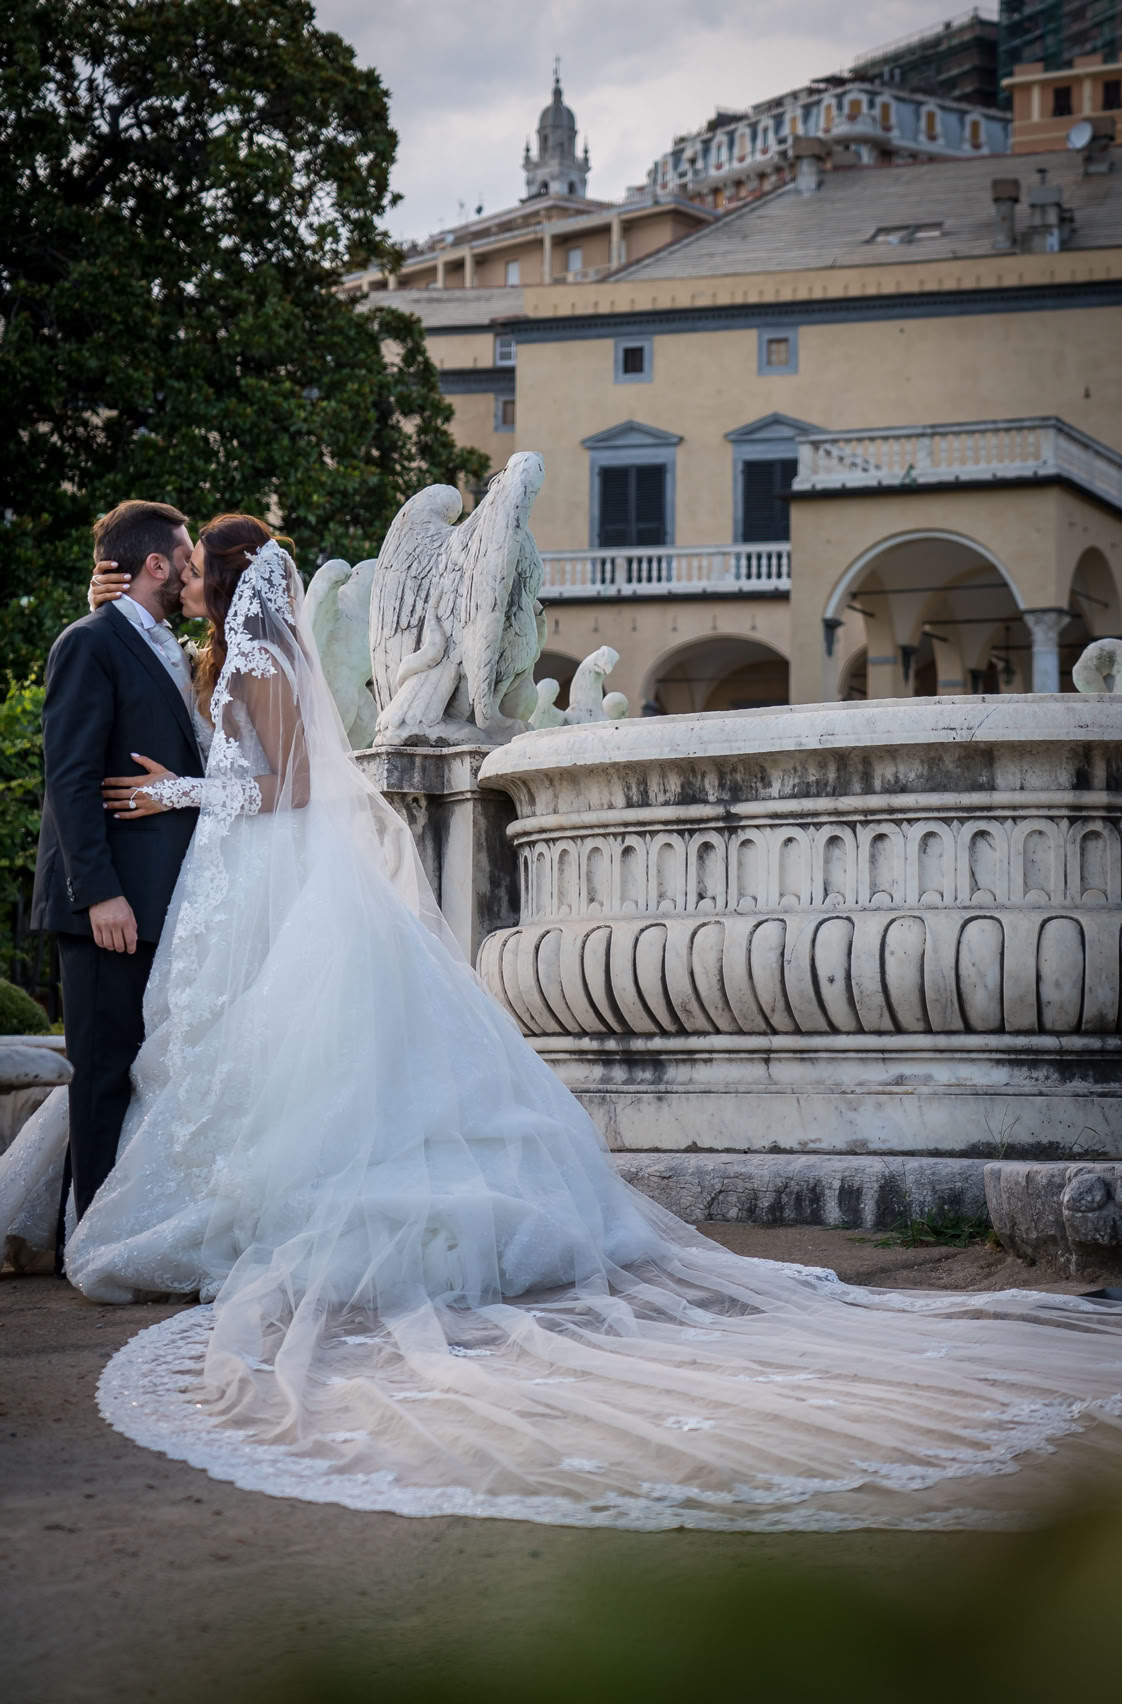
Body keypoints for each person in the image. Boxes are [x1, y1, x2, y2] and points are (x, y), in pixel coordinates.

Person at [4, 513, 1121, 1535]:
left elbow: (282, 783)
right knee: (240, 1056)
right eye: (180, 559)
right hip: (249, 880)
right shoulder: (216, 652)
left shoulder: (252, 659)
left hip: (259, 871)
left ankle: (218, 1216)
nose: (189, 574)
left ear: (225, 583)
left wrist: (179, 795)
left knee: (269, 1055)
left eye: (201, 563)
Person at [30, 501, 204, 1227]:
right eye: (188, 556)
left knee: (135, 1070)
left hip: (161, 902)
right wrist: (100, 892)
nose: (196, 568)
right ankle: (92, 1239)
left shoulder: (173, 648)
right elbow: (69, 777)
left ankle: (101, 1227)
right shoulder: (90, 642)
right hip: (111, 906)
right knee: (101, 1073)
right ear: (156, 565)